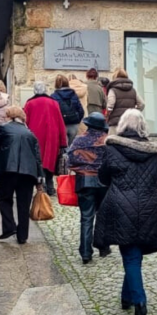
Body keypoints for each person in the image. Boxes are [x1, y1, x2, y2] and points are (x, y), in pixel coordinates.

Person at [94, 109, 157, 315]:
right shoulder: (153, 152)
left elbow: (103, 178)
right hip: (148, 205)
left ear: (122, 126)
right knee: (134, 254)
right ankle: (126, 297)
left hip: (120, 205)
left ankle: (139, 299)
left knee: (131, 254)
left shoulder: (111, 149)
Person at [0, 106, 44, 245]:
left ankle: (9, 227)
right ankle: (22, 236)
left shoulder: (4, 128)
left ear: (9, 116)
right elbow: (37, 158)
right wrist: (40, 179)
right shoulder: (30, 134)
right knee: (24, 204)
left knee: (4, 199)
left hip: (8, 170)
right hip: (28, 173)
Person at [67, 112, 111, 264]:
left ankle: (86, 252)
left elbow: (70, 160)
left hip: (84, 181)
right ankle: (104, 247)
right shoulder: (106, 141)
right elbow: (113, 162)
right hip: (103, 182)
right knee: (103, 216)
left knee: (86, 217)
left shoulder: (79, 140)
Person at [24, 81, 67, 196]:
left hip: (34, 135)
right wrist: (63, 141)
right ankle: (50, 186)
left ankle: (42, 185)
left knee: (38, 160)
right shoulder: (54, 103)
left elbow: (25, 122)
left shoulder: (30, 104)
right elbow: (60, 122)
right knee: (50, 160)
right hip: (52, 136)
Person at [106, 69, 145, 135]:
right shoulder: (133, 90)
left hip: (115, 123)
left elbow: (110, 106)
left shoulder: (113, 90)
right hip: (129, 123)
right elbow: (142, 104)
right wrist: (133, 113)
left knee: (113, 143)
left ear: (114, 77)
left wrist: (107, 116)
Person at [51, 74, 85, 145]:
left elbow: (52, 113)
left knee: (62, 146)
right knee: (71, 145)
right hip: (74, 124)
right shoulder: (73, 95)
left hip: (61, 125)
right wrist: (77, 120)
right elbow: (80, 110)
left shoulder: (53, 96)